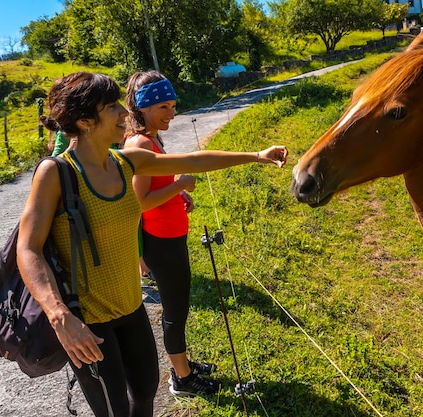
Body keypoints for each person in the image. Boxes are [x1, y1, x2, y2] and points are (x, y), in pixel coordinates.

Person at [16, 71, 288, 417]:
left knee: (144, 395)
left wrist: (256, 155)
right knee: (115, 411)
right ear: (85, 121)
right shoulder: (56, 173)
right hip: (88, 322)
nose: (124, 113)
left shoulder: (125, 162)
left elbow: (194, 162)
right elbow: (28, 248)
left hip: (131, 309)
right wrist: (58, 316)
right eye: (111, 107)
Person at [123, 70, 218, 396]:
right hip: (160, 244)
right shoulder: (140, 143)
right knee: (176, 313)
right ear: (143, 106)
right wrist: (180, 183)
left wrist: (177, 194)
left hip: (170, 238)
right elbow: (140, 202)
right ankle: (182, 379)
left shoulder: (151, 139)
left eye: (173, 105)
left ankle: (185, 366)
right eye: (164, 106)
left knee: (180, 308)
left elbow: (155, 187)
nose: (172, 113)